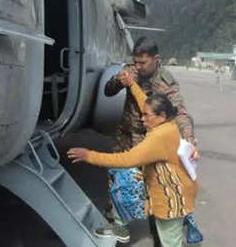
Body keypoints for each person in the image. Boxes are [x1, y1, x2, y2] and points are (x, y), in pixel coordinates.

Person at [68, 76, 197, 247]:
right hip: (175, 190)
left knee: (170, 242)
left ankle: (120, 227)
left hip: (171, 199)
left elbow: (126, 159)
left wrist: (89, 155)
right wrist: (132, 85)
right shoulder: (168, 123)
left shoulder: (159, 137)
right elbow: (145, 102)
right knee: (167, 237)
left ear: (162, 115)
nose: (142, 119)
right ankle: (120, 225)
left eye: (146, 115)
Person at [103, 36, 198, 244]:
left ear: (157, 59)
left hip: (151, 143)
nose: (138, 67)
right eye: (135, 61)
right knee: (119, 184)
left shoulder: (166, 82)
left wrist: (189, 138)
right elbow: (107, 92)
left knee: (154, 188)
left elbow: (180, 113)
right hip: (126, 137)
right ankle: (117, 229)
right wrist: (119, 81)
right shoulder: (130, 70)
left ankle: (159, 233)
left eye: (142, 63)